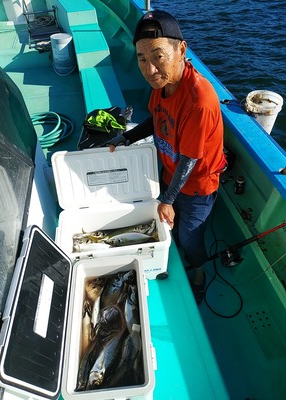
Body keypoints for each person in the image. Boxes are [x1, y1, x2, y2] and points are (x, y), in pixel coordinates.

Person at [107, 10, 226, 305]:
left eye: (158, 56)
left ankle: (198, 273)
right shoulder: (161, 87)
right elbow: (154, 117)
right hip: (170, 175)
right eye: (142, 59)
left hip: (197, 186)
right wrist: (125, 137)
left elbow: (190, 160)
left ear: (181, 50)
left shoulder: (199, 99)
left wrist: (169, 201)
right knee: (169, 225)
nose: (149, 69)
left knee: (189, 238)